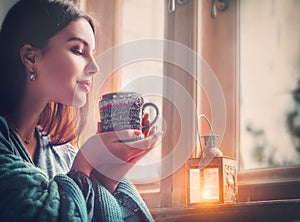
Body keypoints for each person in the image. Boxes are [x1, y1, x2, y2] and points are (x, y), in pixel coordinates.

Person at [0, 0, 161, 221]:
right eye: (78, 50)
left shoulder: (63, 154)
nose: (94, 67)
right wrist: (83, 167)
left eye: (93, 53)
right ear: (31, 57)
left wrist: (108, 177)